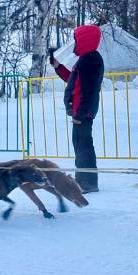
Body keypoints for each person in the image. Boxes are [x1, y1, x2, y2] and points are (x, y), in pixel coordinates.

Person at [50, 25, 104, 193]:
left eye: (76, 39)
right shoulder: (87, 59)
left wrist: (79, 114)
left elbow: (88, 90)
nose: (74, 43)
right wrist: (58, 67)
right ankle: (84, 179)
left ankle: (87, 183)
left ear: (85, 40)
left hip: (83, 112)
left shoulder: (91, 60)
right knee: (82, 145)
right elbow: (74, 81)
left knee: (83, 146)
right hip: (81, 111)